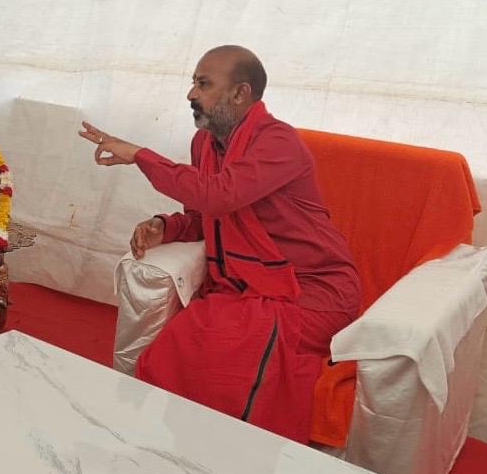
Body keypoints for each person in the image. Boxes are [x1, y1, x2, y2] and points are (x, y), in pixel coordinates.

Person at [78, 45, 361, 443]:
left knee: (227, 350)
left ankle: (228, 456)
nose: (191, 94)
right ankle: (161, 445)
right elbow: (205, 215)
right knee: (183, 338)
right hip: (245, 288)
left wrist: (140, 155)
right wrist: (165, 227)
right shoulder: (205, 144)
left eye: (203, 84)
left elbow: (221, 195)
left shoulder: (278, 141)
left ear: (240, 93)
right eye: (194, 83)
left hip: (311, 290)